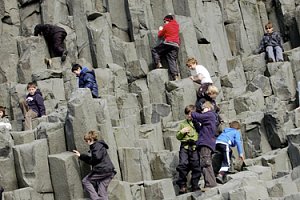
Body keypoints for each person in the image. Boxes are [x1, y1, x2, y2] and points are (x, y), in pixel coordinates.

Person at [73, 130, 116, 200]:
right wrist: (80, 155)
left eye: (87, 141)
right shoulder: (100, 146)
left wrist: (82, 156)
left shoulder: (96, 146)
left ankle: (95, 199)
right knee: (102, 190)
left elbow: (95, 159)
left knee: (86, 181)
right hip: (110, 171)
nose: (87, 143)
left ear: (91, 139)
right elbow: (93, 159)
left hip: (102, 170)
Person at [191, 101, 217, 191]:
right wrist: (194, 121)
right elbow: (199, 128)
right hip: (206, 143)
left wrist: (192, 112)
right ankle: (210, 183)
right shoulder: (209, 119)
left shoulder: (210, 115)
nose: (202, 111)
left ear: (208, 108)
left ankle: (210, 184)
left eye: (203, 109)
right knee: (205, 163)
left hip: (205, 143)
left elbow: (198, 116)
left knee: (206, 163)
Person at [176, 105, 201, 194]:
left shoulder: (198, 123)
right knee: (182, 165)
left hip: (194, 147)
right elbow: (178, 136)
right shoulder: (183, 123)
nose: (189, 115)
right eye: (187, 114)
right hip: (185, 146)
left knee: (196, 166)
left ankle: (195, 185)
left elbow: (201, 133)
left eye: (191, 114)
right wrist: (182, 132)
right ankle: (182, 185)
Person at [151, 14, 180, 81]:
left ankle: (158, 64)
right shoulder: (177, 26)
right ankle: (175, 76)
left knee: (155, 51)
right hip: (176, 45)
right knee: (171, 60)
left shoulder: (167, 26)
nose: (164, 23)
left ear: (167, 20)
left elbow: (160, 35)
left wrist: (160, 29)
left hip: (168, 43)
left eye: (164, 21)